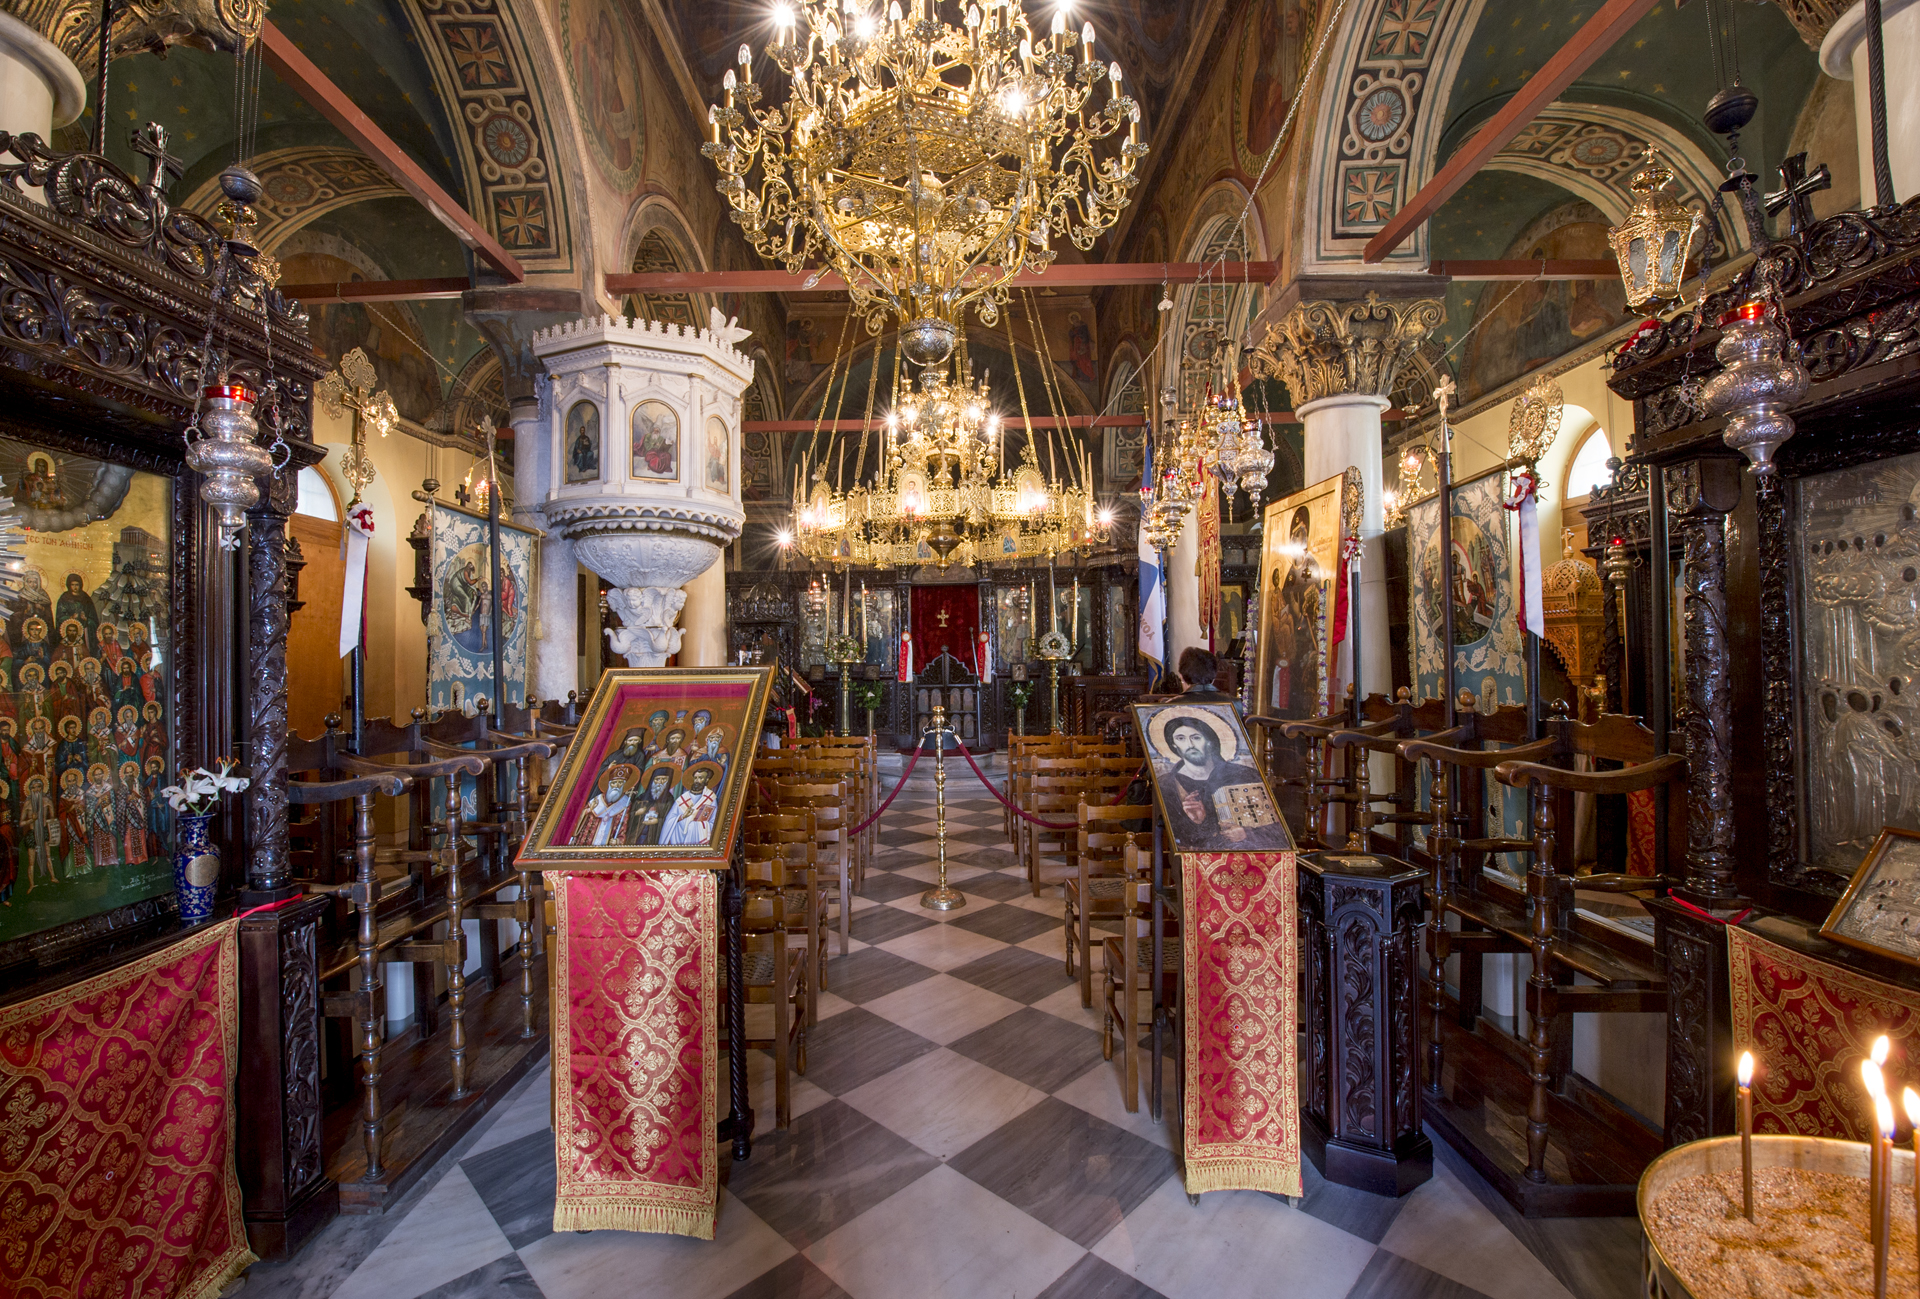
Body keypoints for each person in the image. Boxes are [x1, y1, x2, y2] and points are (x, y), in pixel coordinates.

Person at [1158, 712, 1291, 850]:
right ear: (1173, 744)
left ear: (1209, 741)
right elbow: (1175, 842)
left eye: (1196, 737)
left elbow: (1276, 835)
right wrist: (1198, 821)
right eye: (1180, 738)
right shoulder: (1167, 784)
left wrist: (1246, 833)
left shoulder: (1245, 775)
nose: (1190, 744)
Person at [571, 764, 638, 846]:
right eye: (614, 783)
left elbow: (624, 826)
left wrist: (618, 841)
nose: (616, 786)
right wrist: (587, 811)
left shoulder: (625, 803)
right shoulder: (596, 800)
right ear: (609, 784)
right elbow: (581, 819)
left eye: (620, 783)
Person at [659, 764, 721, 845]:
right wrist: (683, 817)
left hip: (698, 836)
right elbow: (670, 819)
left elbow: (714, 821)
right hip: (678, 836)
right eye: (695, 778)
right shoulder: (682, 798)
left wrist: (695, 826)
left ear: (707, 780)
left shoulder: (710, 798)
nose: (697, 780)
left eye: (700, 778)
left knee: (692, 826)